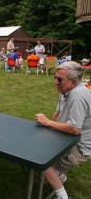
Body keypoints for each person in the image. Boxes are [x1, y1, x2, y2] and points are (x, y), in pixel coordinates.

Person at [35, 61, 91, 199]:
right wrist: (47, 130)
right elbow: (57, 113)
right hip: (67, 139)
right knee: (38, 148)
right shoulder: (65, 90)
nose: (55, 82)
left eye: (59, 79)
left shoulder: (78, 96)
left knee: (40, 159)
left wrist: (47, 122)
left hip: (79, 148)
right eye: (55, 77)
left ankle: (63, 196)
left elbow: (74, 129)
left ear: (73, 82)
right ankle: (59, 175)